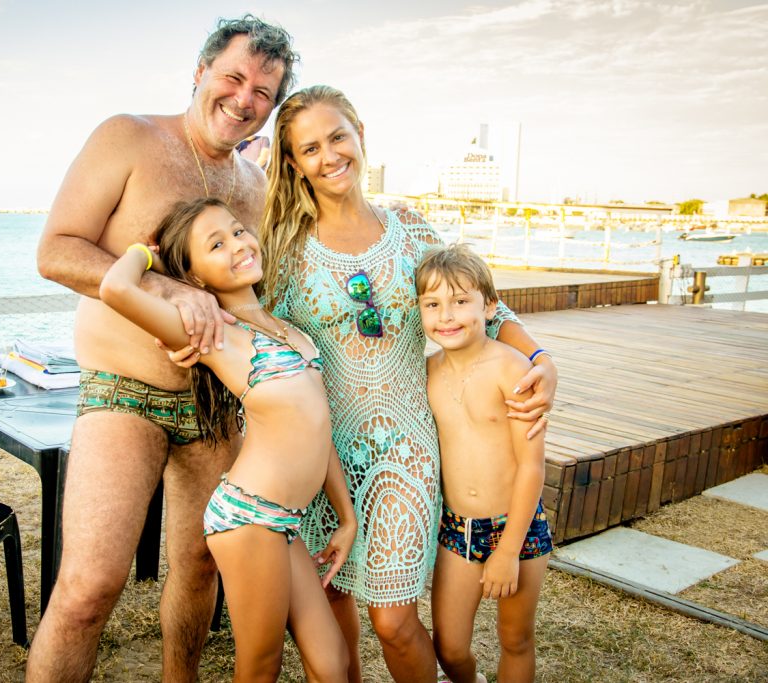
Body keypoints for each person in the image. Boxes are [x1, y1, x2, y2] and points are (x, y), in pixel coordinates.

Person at [253, 85, 557, 683]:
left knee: (392, 620)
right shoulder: (283, 251)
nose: (329, 155)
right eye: (309, 147)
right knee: (331, 616)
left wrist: (541, 357)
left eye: (338, 136)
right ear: (293, 163)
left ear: (360, 134)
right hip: (318, 453)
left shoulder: (411, 230)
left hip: (406, 448)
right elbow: (249, 325)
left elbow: (486, 307)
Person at [29, 16, 299, 682]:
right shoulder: (129, 137)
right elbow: (56, 249)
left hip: (214, 404)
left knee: (203, 564)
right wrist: (166, 288)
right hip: (124, 392)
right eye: (233, 77)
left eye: (263, 91)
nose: (243, 98)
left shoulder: (255, 189)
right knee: (89, 586)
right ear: (200, 72)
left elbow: (254, 296)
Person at [100, 198, 355, 682]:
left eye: (238, 231)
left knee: (332, 662)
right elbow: (115, 288)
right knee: (261, 666)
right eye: (216, 244)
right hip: (249, 518)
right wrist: (149, 256)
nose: (239, 244)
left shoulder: (285, 327)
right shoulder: (214, 334)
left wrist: (346, 516)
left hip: (285, 521)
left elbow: (319, 428)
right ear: (195, 277)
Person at [417, 243, 551, 683]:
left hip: (518, 526)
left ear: (490, 305)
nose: (447, 316)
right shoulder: (428, 372)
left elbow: (531, 466)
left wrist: (509, 550)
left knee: (515, 639)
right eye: (433, 304)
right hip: (457, 529)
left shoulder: (512, 370)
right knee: (450, 648)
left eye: (461, 301)